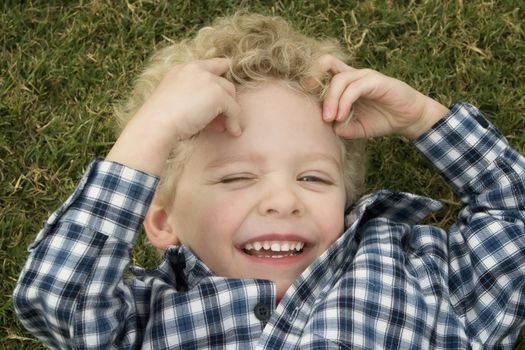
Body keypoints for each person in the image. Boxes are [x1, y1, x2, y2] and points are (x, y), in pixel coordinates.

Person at [13, 13, 525, 349]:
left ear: (347, 201)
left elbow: (514, 216)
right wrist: (155, 128)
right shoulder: (140, 319)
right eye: (236, 177)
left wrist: (423, 118)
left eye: (313, 177)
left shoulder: (419, 271)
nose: (284, 200)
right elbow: (55, 299)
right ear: (163, 221)